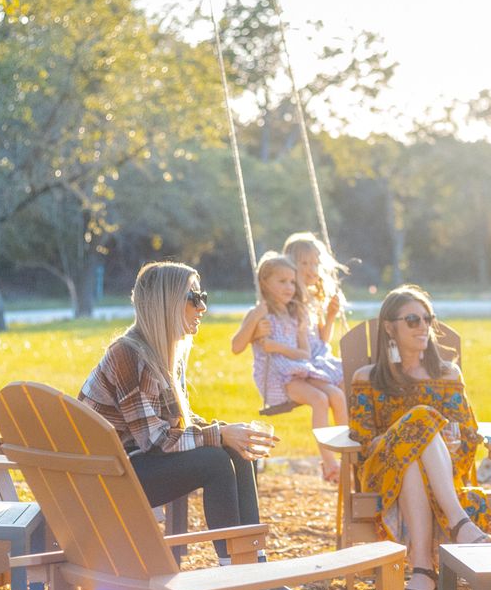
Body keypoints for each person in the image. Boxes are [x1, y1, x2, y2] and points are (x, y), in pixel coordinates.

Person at [80, 261, 274, 564]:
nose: (202, 308)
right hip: (106, 480)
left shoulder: (162, 353)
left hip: (131, 466)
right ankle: (235, 576)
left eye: (203, 297)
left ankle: (255, 566)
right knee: (215, 461)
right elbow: (156, 440)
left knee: (236, 451)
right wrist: (219, 435)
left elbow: (176, 424)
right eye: (194, 298)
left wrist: (230, 432)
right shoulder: (127, 354)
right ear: (166, 303)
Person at [348, 285, 491, 590]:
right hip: (382, 473)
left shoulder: (447, 373)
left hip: (440, 472)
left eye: (427, 319)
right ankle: (459, 523)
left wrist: (450, 444)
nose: (423, 326)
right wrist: (403, 437)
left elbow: (468, 433)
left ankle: (423, 569)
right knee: (421, 422)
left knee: (412, 458)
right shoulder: (365, 378)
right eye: (412, 319)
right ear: (389, 327)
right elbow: (361, 441)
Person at [231, 252, 346, 480]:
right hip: (278, 379)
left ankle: (348, 455)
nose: (289, 287)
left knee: (337, 395)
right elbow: (236, 346)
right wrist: (254, 321)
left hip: (300, 370)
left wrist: (277, 346)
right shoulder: (260, 315)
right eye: (282, 281)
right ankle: (330, 464)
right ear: (264, 282)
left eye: (292, 281)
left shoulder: (296, 314)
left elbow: (304, 353)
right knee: (320, 399)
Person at [282, 231, 347, 368]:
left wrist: (330, 315)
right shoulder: (287, 301)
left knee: (354, 374)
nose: (312, 269)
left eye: (316, 263)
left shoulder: (314, 299)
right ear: (290, 266)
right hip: (303, 363)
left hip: (320, 357)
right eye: (304, 263)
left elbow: (323, 340)